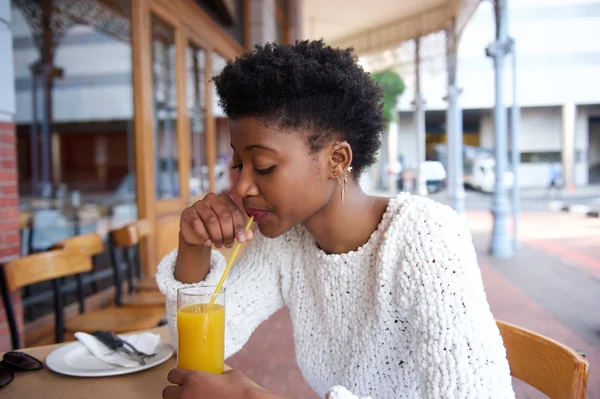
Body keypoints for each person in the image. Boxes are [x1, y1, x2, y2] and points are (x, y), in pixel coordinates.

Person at [157, 40, 515, 399]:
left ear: (337, 160)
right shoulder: (285, 239)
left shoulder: (425, 236)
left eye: (263, 166)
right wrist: (193, 245)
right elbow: (199, 348)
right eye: (238, 164)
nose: (242, 185)